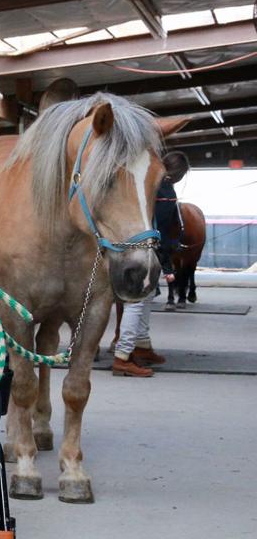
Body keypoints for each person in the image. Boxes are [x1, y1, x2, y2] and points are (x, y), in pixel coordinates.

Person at [111, 150, 190, 377]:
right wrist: (167, 266)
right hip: (145, 250)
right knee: (136, 302)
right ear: (178, 174)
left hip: (133, 247)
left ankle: (142, 346)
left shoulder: (145, 183)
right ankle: (122, 356)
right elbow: (162, 231)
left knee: (145, 298)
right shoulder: (165, 192)